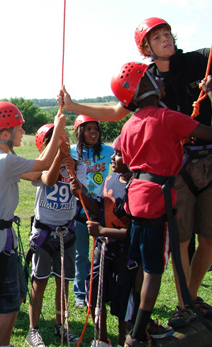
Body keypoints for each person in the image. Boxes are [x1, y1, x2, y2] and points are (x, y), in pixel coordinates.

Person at [57, 18, 212, 327]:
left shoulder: (196, 60)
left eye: (167, 34)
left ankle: (191, 295)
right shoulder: (148, 79)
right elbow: (116, 111)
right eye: (158, 37)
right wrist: (73, 106)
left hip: (207, 155)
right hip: (176, 164)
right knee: (181, 240)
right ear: (147, 48)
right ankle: (184, 304)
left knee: (208, 238)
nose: (166, 39)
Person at [110, 61, 212, 347]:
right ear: (144, 87)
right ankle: (136, 334)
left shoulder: (129, 125)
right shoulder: (168, 118)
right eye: (151, 76)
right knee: (155, 269)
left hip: (137, 197)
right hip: (158, 199)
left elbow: (126, 162)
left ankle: (136, 326)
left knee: (142, 264)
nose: (158, 78)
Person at [0, 101, 66, 347]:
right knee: (6, 307)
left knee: (13, 300)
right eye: (19, 129)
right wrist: (58, 128)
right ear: (5, 134)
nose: (23, 133)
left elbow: (37, 174)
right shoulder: (4, 161)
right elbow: (42, 165)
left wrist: (57, 151)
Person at [25, 124, 86, 347]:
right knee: (39, 281)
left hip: (66, 231)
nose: (63, 143)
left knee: (64, 282)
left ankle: (61, 325)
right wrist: (58, 160)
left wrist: (73, 173)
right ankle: (33, 329)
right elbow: (49, 181)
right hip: (44, 231)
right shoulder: (41, 166)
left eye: (64, 138)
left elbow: (81, 194)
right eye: (55, 140)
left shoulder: (78, 166)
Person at [71, 115, 114, 308]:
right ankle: (80, 293)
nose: (93, 132)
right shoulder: (71, 151)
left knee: (102, 253)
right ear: (80, 132)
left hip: (101, 207)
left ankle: (99, 291)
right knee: (81, 254)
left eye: (95, 129)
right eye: (88, 129)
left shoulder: (108, 151)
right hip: (78, 208)